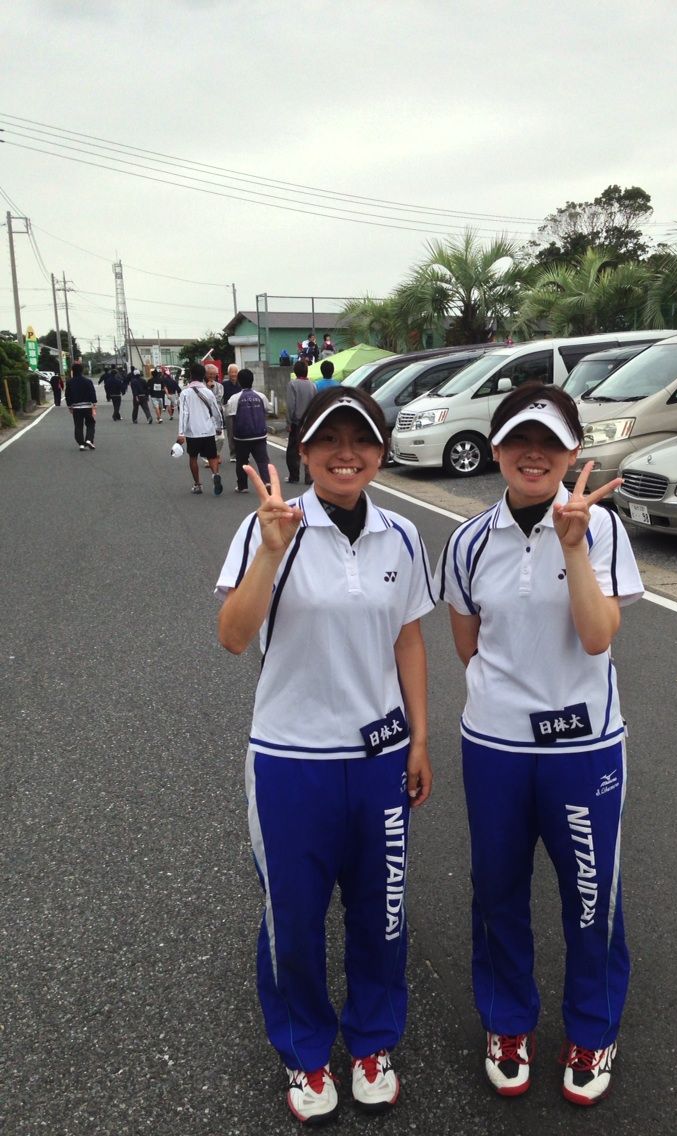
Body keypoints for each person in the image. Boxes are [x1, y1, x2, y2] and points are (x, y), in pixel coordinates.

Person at [215, 386, 434, 1124]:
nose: (347, 454)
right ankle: (305, 1050)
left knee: (383, 913)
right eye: (329, 441)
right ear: (302, 451)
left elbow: (409, 637)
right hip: (290, 758)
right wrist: (271, 552)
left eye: (362, 439)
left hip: (380, 758)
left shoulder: (403, 535)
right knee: (295, 917)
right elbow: (233, 636)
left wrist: (420, 737)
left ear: (381, 452)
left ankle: (373, 1042)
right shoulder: (270, 526)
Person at [436, 383, 643, 1107]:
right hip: (494, 746)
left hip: (584, 749)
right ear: (496, 449)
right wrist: (510, 705)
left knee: (590, 895)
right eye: (519, 440)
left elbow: (597, 636)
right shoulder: (467, 540)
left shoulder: (602, 528)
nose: (533, 455)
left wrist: (573, 545)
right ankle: (507, 1024)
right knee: (497, 891)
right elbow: (469, 644)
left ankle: (592, 1029)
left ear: (573, 452)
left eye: (549, 443)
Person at [177, 361, 225, 495]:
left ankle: (198, 484)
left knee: (193, 457)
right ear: (203, 376)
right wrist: (219, 426)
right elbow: (216, 411)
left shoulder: (185, 393)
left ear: (191, 376)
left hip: (193, 432)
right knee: (212, 456)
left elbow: (184, 413)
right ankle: (215, 474)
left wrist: (181, 433)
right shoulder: (208, 392)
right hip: (208, 430)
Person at [226, 368, 272, 493]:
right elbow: (269, 410)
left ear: (239, 381)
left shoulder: (235, 398)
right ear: (252, 380)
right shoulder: (261, 396)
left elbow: (229, 413)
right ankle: (267, 482)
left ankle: (242, 486)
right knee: (262, 460)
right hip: (260, 434)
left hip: (242, 436)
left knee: (242, 461)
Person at [285, 359, 316, 484]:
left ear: (295, 371)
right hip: (309, 422)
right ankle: (309, 476)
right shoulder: (312, 385)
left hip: (296, 422)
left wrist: (288, 422)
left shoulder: (292, 384)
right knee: (308, 448)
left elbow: (290, 405)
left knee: (293, 450)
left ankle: (294, 476)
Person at [65, 361, 97, 450]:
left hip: (76, 407)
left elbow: (67, 395)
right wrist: (94, 403)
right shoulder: (88, 381)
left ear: (73, 371)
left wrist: (69, 406)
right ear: (82, 371)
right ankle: (89, 439)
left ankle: (81, 444)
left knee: (78, 425)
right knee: (90, 423)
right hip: (87, 406)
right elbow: (92, 393)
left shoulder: (70, 382)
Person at [221, 363, 242, 463]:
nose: (233, 374)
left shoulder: (241, 384)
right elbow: (221, 398)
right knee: (231, 433)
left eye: (235, 372)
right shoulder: (224, 385)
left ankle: (243, 453)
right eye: (231, 372)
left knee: (242, 432)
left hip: (241, 411)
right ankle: (233, 454)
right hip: (229, 411)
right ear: (228, 373)